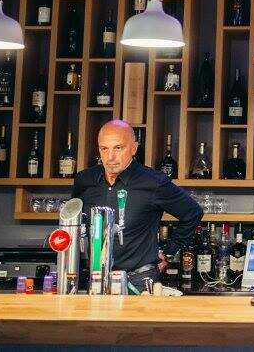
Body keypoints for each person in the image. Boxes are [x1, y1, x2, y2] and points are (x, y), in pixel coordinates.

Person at [71, 119, 202, 293]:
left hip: (139, 281)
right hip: (94, 279)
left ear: (134, 148)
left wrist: (168, 251)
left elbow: (193, 213)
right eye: (104, 149)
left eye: (118, 148)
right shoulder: (85, 180)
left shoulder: (153, 182)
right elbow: (74, 222)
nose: (110, 157)